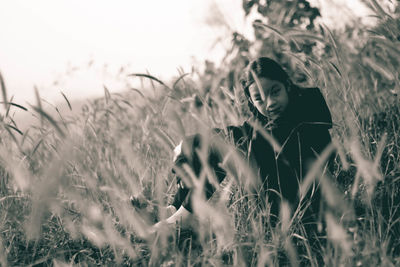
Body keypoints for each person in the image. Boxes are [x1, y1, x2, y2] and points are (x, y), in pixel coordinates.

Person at [150, 57, 334, 252]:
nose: (269, 103)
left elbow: (248, 139)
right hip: (279, 195)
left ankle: (183, 217)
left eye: (275, 92)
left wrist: (191, 142)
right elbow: (244, 135)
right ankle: (175, 210)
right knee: (218, 147)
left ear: (287, 84)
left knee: (224, 147)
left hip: (304, 203)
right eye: (259, 99)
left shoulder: (308, 106)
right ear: (251, 100)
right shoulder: (264, 121)